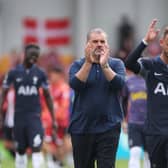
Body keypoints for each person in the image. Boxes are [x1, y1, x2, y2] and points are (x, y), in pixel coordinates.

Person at [68, 28, 126, 168]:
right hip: (82, 128)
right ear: (87, 45)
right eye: (95, 41)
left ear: (107, 45)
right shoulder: (77, 65)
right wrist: (88, 62)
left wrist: (104, 65)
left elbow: (119, 84)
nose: (99, 44)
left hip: (109, 127)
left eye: (102, 41)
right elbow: (75, 84)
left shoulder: (116, 64)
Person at [0, 44, 57, 168]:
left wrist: (53, 118)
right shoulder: (13, 73)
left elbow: (47, 96)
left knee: (36, 148)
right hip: (19, 116)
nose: (34, 59)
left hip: (34, 117)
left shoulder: (40, 73)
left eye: (36, 56)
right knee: (20, 149)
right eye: (32, 55)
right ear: (24, 55)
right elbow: (3, 93)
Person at [125, 19, 168, 168]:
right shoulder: (151, 65)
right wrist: (145, 41)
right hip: (155, 133)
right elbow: (129, 63)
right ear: (162, 43)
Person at [41, 66, 71, 168]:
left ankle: (58, 161)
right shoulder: (47, 88)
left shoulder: (64, 88)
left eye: (53, 74)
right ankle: (54, 160)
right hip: (48, 122)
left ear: (59, 75)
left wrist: (54, 117)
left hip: (62, 122)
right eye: (50, 74)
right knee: (43, 142)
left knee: (65, 144)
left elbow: (64, 106)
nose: (51, 76)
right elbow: (42, 104)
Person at [122, 70, 150, 168]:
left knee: (149, 155)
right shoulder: (128, 81)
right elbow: (123, 102)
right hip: (134, 122)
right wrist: (124, 121)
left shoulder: (151, 80)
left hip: (150, 123)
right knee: (135, 152)